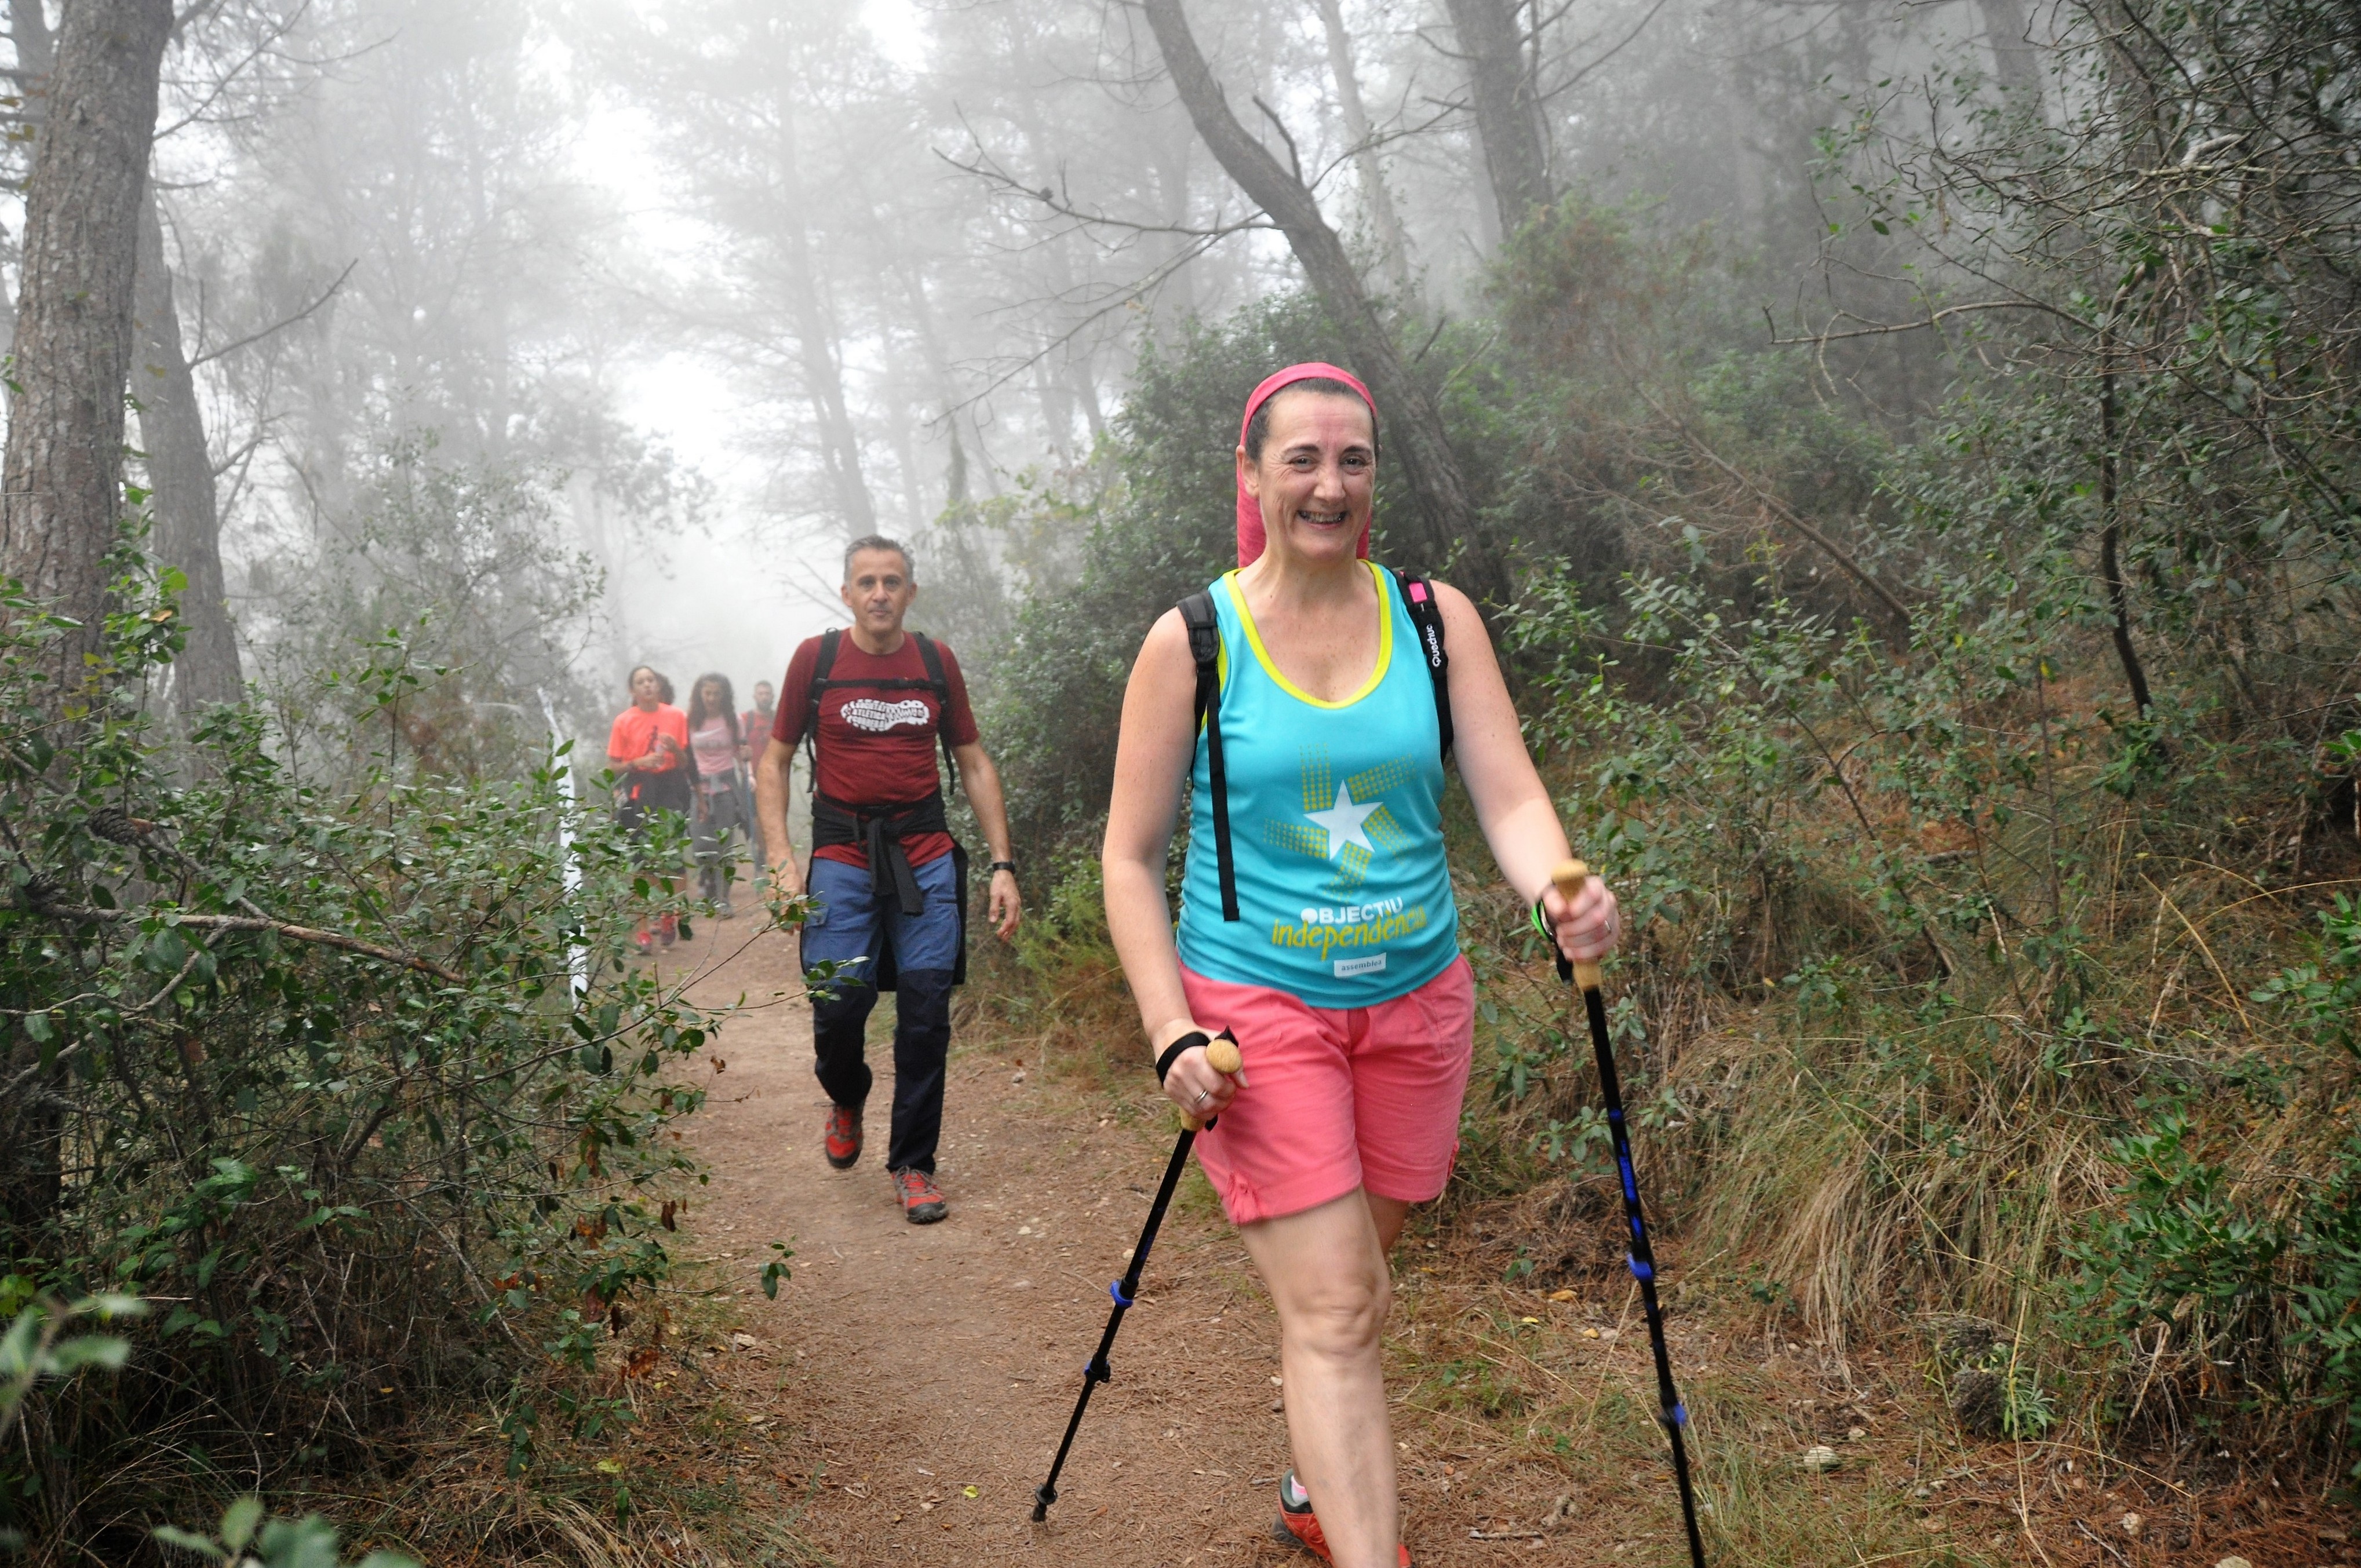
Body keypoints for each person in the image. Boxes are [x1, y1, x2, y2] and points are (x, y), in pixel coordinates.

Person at [1099, 365, 1622, 1568]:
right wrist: (1169, 1031)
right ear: (1250, 476)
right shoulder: (1193, 642)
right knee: (1337, 1308)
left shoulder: (1434, 622)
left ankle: (1311, 1480)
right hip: (1254, 1012)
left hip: (1417, 1005)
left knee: (1354, 1288)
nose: (1329, 486)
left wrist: (1560, 891)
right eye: (1302, 460)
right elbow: (1127, 859)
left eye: (1353, 460)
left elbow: (1509, 795)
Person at [755, 536, 1024, 1224]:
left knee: (927, 1013)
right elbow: (774, 761)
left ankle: (913, 1166)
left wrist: (1002, 865)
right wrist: (782, 859)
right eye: (868, 582)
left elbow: (973, 760)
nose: (880, 594)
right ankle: (847, 1093)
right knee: (838, 1000)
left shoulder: (935, 662)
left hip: (925, 852)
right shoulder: (816, 661)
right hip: (841, 853)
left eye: (893, 582)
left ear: (910, 592)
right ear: (847, 593)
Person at [607, 664, 691, 953]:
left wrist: (674, 749)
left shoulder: (676, 716)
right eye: (641, 682)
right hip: (638, 790)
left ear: (659, 685)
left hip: (670, 788)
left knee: (673, 856)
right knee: (640, 862)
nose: (647, 685)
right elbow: (612, 765)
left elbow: (685, 762)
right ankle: (642, 929)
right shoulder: (624, 721)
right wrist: (638, 763)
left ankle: (669, 914)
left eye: (651, 680)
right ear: (632, 690)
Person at [686, 672, 756, 917]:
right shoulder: (691, 721)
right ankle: (708, 886)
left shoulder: (733, 721)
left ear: (724, 695)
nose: (712, 698)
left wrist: (749, 774)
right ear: (700, 694)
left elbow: (741, 752)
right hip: (699, 789)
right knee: (700, 845)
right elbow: (686, 755)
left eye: (716, 693)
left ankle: (724, 899)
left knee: (725, 846)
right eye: (707, 693)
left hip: (726, 788)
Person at [742, 679, 777, 868]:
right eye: (761, 693)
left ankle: (771, 851)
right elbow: (738, 746)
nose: (764, 697)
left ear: (773, 697)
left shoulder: (778, 719)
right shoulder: (746, 719)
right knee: (755, 818)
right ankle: (762, 851)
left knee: (773, 815)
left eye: (767, 694)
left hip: (773, 773)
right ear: (755, 696)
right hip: (752, 774)